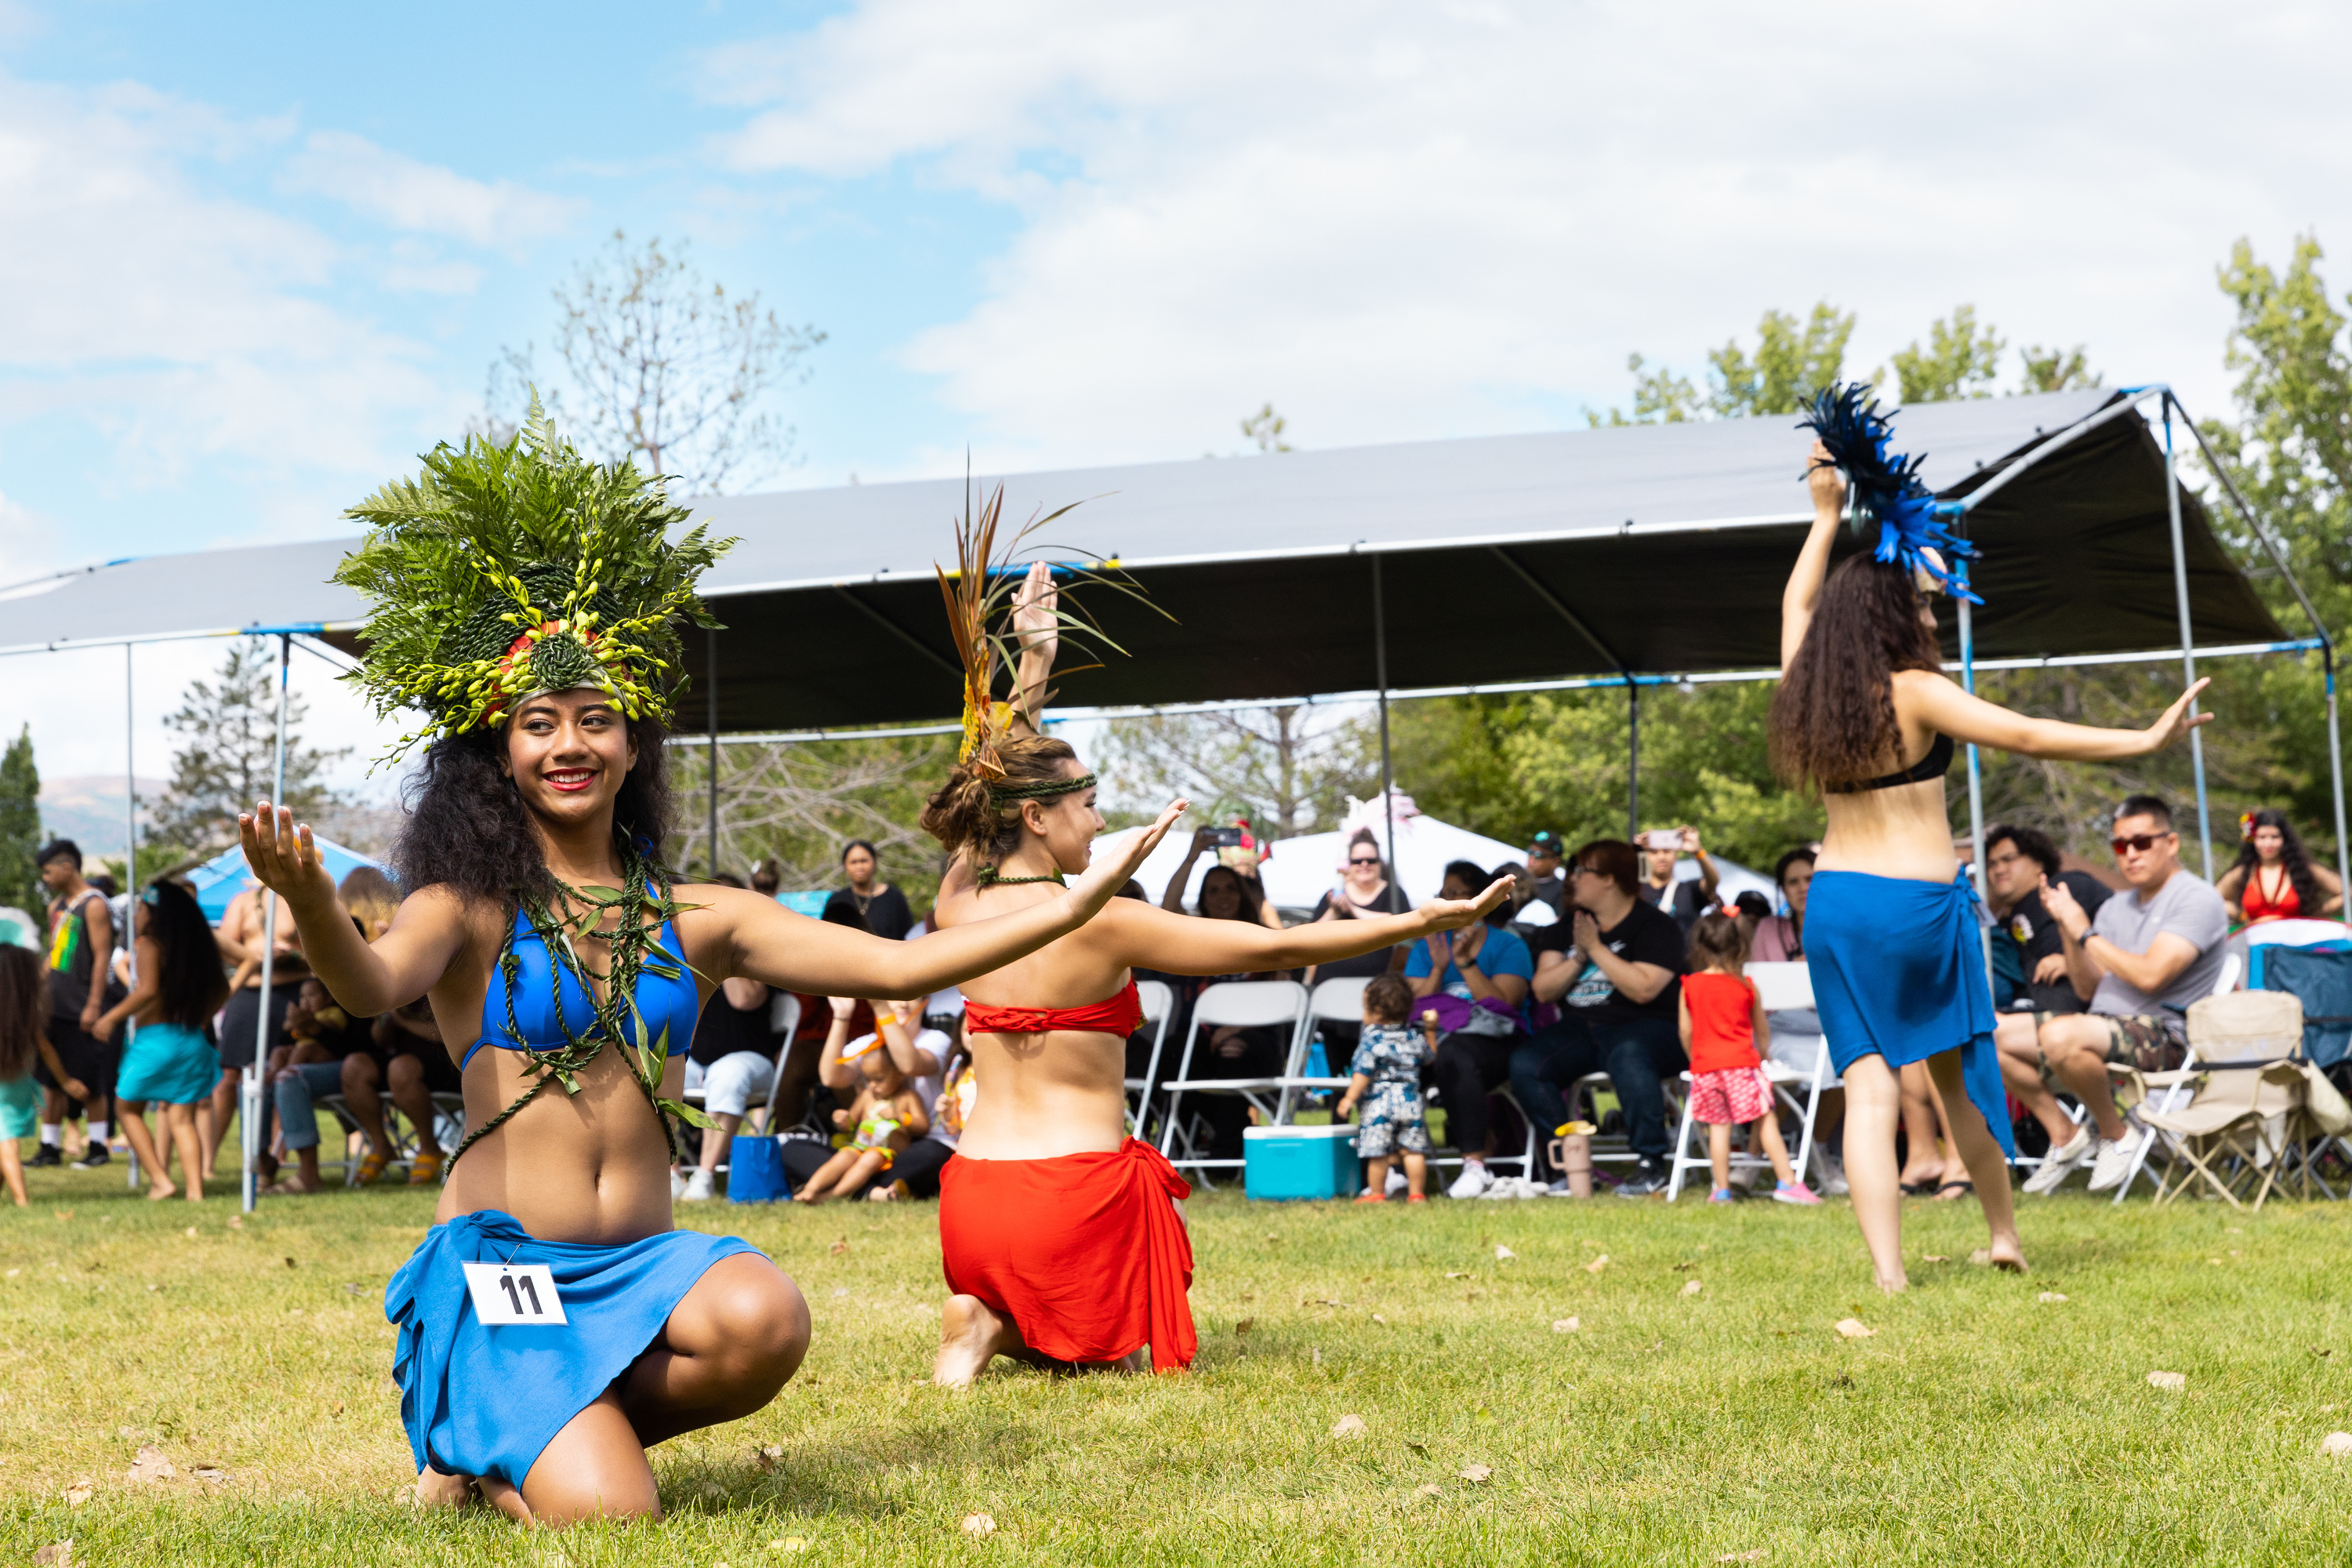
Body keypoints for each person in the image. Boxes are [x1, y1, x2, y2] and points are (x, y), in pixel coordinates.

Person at [237, 411, 1176, 1525]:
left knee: (768, 1316)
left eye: (598, 719)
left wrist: (1085, 894)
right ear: (502, 751)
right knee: (618, 1519)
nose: (570, 743)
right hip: (507, 1282)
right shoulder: (466, 908)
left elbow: (897, 961)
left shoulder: (704, 915)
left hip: (640, 1278)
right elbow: (368, 986)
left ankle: (545, 1431)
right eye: (539, 723)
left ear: (635, 744)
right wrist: (307, 900)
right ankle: (495, 1439)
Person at [918, 508, 1507, 1387]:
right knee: (1109, 1345)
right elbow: (1270, 948)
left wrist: (1034, 666)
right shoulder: (1101, 918)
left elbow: (989, 793)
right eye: (1086, 804)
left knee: (1078, 1339)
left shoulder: (957, 904)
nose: (1100, 818)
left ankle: (988, 1305)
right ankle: (1001, 1325)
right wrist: (1418, 923)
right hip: (1068, 1199)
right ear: (1038, 819)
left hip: (971, 1198)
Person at [1774, 385, 2210, 1288]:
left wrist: (1822, 520)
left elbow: (1796, 606)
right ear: (1892, 620)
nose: (1931, 616)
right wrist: (2143, 737)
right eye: (1924, 608)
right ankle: (2005, 1232)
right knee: (1961, 1069)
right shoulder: (1916, 690)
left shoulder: (1806, 692)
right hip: (1918, 909)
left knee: (1868, 1088)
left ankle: (1890, 1274)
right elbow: (2030, 733)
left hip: (1837, 903)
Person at [1998, 796, 2230, 1196]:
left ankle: (2116, 1133)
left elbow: (2151, 975)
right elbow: (2088, 989)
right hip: (2102, 1026)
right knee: (1987, 1034)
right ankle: (2065, 1134)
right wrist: (2070, 930)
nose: (2130, 854)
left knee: (2062, 1036)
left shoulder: (2196, 898)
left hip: (2167, 1035)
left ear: (2171, 843)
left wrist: (2085, 931)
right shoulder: (2116, 906)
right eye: (2120, 846)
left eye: (2142, 843)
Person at [1512, 839, 1686, 1198]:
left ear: (1609, 879)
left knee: (1629, 1053)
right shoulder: (1565, 928)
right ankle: (1568, 1164)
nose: (1572, 878)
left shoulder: (1655, 925)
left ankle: (1651, 1164)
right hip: (1582, 1028)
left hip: (1651, 1027)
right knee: (1527, 1062)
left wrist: (1595, 950)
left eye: (1581, 871)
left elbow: (1644, 989)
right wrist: (1578, 956)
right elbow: (1544, 990)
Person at [1403, 859, 1534, 1197]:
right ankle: (1389, 1165)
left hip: (1496, 1044)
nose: (1446, 901)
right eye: (1443, 894)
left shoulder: (1509, 946)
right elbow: (1407, 1006)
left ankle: (1475, 1166)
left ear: (1481, 898)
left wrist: (1465, 963)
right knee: (1391, 1058)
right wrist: (1438, 968)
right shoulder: (1428, 945)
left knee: (1455, 1055)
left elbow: (1505, 1005)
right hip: (1432, 1039)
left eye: (1455, 893)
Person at [91, 880, 227, 1202]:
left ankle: (161, 1181)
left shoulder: (150, 945)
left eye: (140, 908)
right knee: (182, 1119)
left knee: (126, 1108)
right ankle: (195, 1192)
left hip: (155, 1041)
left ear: (154, 912)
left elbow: (148, 990)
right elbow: (222, 988)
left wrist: (111, 1018)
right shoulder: (193, 949)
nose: (136, 914)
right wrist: (202, 1017)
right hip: (191, 1038)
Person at [1680, 912, 1815, 1205]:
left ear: (1700, 945)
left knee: (1718, 1127)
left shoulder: (1690, 985)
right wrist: (1764, 1056)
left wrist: (1695, 1056)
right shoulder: (1747, 985)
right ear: (1740, 946)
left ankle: (1721, 1189)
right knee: (1765, 1121)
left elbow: (1685, 1030)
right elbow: (1762, 1032)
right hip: (1742, 1065)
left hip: (1705, 1067)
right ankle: (1787, 1182)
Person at [780, 996, 953, 1199]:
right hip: (867, 1149)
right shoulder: (869, 1044)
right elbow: (831, 1077)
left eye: (911, 996)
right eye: (892, 996)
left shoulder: (936, 1040)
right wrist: (841, 1016)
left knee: (933, 1156)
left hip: (918, 1146)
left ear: (926, 1000)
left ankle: (844, 1189)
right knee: (792, 1149)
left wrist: (882, 1010)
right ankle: (875, 1192)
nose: (902, 1003)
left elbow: (909, 1065)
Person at [209, 881, 308, 1180]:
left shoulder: (302, 897)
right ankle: (206, 1160)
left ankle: (274, 1158)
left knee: (278, 1074)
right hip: (249, 996)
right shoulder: (244, 902)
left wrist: (290, 956)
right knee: (228, 1077)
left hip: (292, 991)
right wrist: (254, 956)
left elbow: (325, 949)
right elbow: (225, 948)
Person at [32, 840, 117, 1171]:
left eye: (49, 871)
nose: (46, 878)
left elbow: (102, 957)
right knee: (52, 1078)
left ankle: (98, 1145)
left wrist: (94, 1004)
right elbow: (55, 955)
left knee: (90, 1078)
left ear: (68, 868)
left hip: (83, 1004)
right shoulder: (57, 907)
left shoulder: (94, 905)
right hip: (53, 1005)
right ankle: (49, 1147)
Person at [267, 968, 383, 1194]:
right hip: (304, 1059)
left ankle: (308, 1174)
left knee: (290, 1074)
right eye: (303, 997)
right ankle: (263, 1163)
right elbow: (285, 1035)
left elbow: (340, 1036)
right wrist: (294, 1023)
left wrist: (312, 1025)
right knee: (256, 1075)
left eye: (312, 996)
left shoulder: (336, 1011)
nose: (306, 1001)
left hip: (335, 1065)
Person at [0, 944, 88, 1206]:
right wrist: (66, 1081)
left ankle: (22, 1200)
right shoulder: (24, 1011)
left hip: (7, 1084)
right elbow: (45, 1049)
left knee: (6, 1140)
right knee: (5, 1139)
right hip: (18, 1082)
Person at [1334, 973, 1432, 1204]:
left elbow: (1362, 1073)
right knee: (1413, 1151)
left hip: (1379, 1104)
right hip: (1410, 1102)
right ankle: (1417, 1194)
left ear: (1377, 1013)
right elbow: (1430, 1057)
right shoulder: (1413, 1036)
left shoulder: (1371, 1040)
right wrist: (1432, 1031)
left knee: (1377, 1152)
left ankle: (1377, 1194)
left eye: (1365, 1009)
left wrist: (1349, 1098)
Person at [793, 1043, 929, 1203]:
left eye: (879, 1079)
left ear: (899, 1074)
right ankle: (810, 1189)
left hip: (886, 1153)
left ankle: (832, 1196)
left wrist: (900, 1116)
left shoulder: (907, 1097)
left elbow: (923, 1126)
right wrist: (841, 1120)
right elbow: (850, 1125)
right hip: (859, 1147)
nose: (872, 1086)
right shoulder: (866, 1096)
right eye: (868, 1080)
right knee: (843, 1157)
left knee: (870, 1158)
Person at [2218, 808, 2343, 924]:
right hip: (2256, 943)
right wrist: (2241, 914)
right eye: (2262, 837)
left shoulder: (2303, 869)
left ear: (2285, 839)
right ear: (2253, 840)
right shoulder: (2243, 872)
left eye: (2275, 837)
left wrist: (2317, 913)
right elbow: (2213, 897)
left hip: (2297, 943)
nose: (2268, 843)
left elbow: (2347, 892)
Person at [822, 840, 915, 943]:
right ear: (845, 866)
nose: (859, 867)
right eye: (853, 862)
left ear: (874, 862)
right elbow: (828, 940)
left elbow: (908, 936)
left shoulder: (894, 897)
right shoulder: (837, 902)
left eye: (864, 861)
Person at [1636, 826, 1720, 937]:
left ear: (1676, 855)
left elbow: (1713, 881)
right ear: (1645, 856)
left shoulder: (1690, 890)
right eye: (1654, 852)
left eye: (1667, 851)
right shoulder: (1636, 891)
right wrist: (1634, 849)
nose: (1661, 857)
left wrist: (1698, 851)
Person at [1524, 832, 1567, 916]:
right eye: (1530, 851)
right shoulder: (1517, 879)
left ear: (1556, 861)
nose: (1532, 857)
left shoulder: (1562, 892)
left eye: (1538, 855)